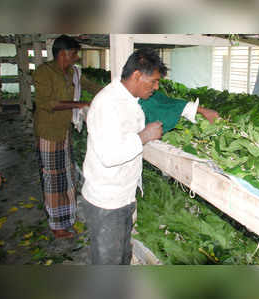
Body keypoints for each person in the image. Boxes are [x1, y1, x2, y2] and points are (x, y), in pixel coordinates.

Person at [81, 48, 219, 264]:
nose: (156, 87)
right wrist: (144, 136)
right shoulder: (107, 104)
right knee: (108, 263)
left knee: (122, 257)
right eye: (153, 81)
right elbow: (109, 155)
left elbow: (162, 103)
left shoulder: (130, 97)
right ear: (137, 75)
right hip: (107, 202)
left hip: (123, 196)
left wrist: (197, 110)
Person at [32, 34, 102, 239]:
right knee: (53, 179)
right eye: (74, 54)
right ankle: (56, 225)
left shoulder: (74, 73)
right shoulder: (44, 72)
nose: (76, 58)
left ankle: (68, 218)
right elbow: (47, 103)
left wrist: (114, 92)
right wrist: (78, 104)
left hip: (64, 131)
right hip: (49, 132)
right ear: (63, 53)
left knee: (68, 177)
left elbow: (93, 87)